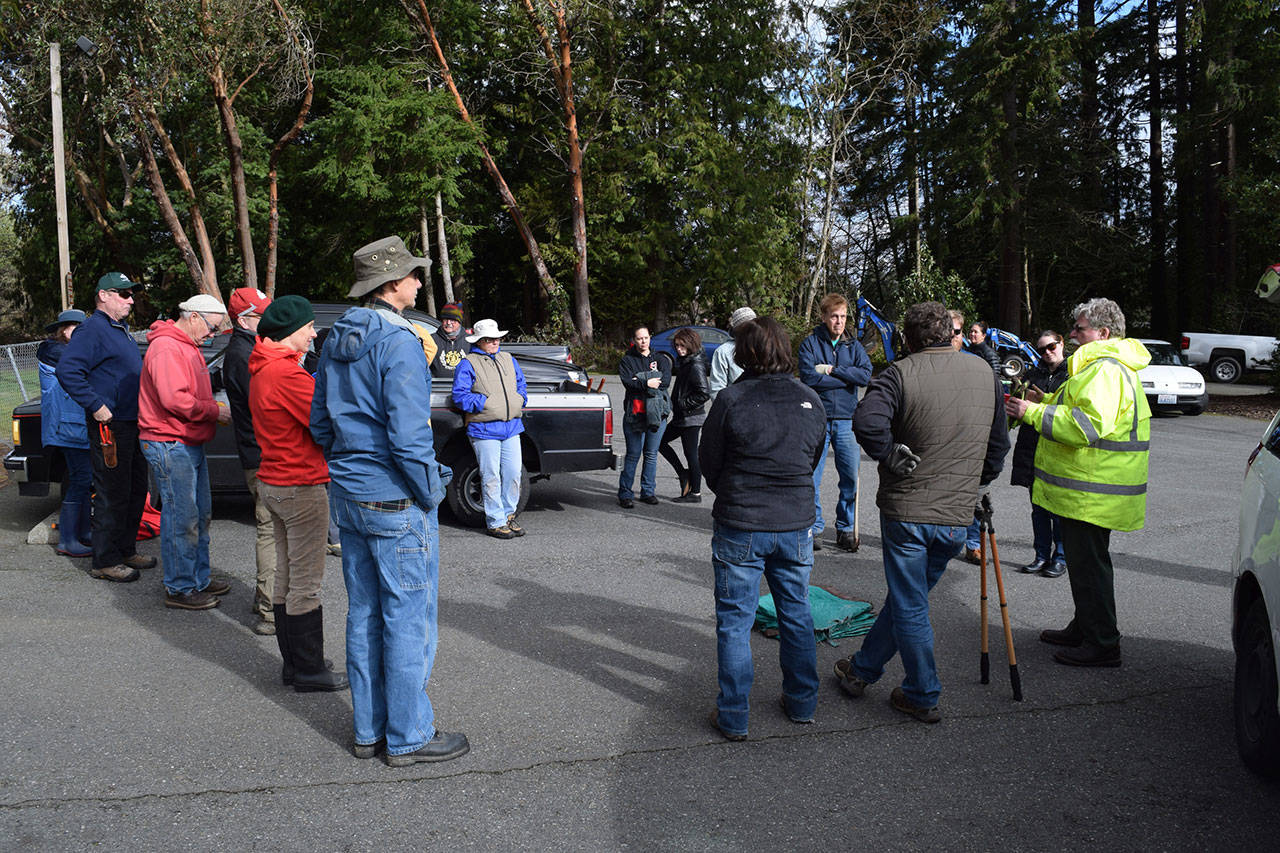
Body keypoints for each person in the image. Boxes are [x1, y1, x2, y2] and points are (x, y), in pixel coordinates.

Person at [311, 234, 469, 765]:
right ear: (391, 283)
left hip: (350, 493)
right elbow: (408, 436)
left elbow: (319, 423)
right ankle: (407, 736)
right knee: (408, 617)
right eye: (413, 275)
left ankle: (368, 730)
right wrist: (430, 492)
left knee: (365, 613)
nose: (420, 282)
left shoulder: (336, 336)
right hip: (394, 496)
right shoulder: (399, 341)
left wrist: (348, 467)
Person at [833, 301, 1009, 723]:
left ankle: (923, 691)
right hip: (955, 514)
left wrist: (888, 452)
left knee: (910, 604)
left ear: (908, 339)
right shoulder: (983, 372)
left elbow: (866, 422)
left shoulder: (898, 373)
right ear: (951, 333)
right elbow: (998, 444)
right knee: (908, 600)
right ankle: (861, 670)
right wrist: (979, 484)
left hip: (910, 511)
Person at [699, 317, 828, 740]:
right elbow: (811, 460)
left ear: (744, 353)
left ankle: (735, 715)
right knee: (796, 614)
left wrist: (735, 491)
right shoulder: (811, 399)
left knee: (735, 621)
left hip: (743, 522)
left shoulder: (731, 399)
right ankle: (802, 703)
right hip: (793, 523)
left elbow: (710, 464)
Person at [1005, 298, 1151, 668]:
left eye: (1079, 328)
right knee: (1087, 565)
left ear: (1102, 333)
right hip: (1090, 491)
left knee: (1089, 566)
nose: (1071, 333)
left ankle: (1102, 642)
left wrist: (1032, 411)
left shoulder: (1105, 370)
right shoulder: (1102, 368)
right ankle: (1087, 626)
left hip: (1093, 493)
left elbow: (1085, 427)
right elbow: (1082, 410)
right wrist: (1049, 399)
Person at [250, 295, 348, 692]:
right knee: (305, 581)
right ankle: (308, 669)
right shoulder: (286, 375)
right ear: (289, 331)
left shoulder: (263, 368)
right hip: (299, 485)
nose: (312, 334)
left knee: (286, 577)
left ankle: (296, 664)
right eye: (308, 327)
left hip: (274, 481)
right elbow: (323, 420)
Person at [138, 294, 233, 610]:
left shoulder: (182, 344)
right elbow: (175, 400)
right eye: (211, 328)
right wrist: (214, 410)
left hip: (183, 441)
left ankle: (197, 580)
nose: (212, 335)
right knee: (182, 516)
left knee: (198, 513)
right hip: (170, 442)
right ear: (193, 317)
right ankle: (180, 588)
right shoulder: (167, 347)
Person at [57, 272, 154, 583]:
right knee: (112, 491)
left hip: (131, 422)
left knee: (136, 488)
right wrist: (96, 406)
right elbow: (68, 370)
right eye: (123, 294)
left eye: (131, 294)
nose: (130, 299)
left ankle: (125, 548)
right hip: (111, 426)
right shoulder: (92, 329)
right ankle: (105, 559)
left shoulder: (119, 330)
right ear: (103, 296)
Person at [798, 293, 873, 552]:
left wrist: (831, 369)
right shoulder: (810, 344)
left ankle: (845, 528)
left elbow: (864, 376)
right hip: (817, 419)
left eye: (842, 316)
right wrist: (846, 378)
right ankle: (815, 527)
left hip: (847, 421)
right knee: (812, 477)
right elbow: (809, 378)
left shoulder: (853, 346)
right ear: (824, 317)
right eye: (834, 316)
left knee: (850, 477)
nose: (839, 322)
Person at [223, 286, 278, 635]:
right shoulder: (243, 356)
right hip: (262, 455)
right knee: (271, 531)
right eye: (262, 315)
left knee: (272, 530)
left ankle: (266, 599)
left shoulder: (250, 349)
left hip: (260, 452)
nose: (268, 320)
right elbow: (266, 409)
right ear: (244, 320)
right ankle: (270, 609)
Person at [451, 318, 529, 539]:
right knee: (491, 476)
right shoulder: (468, 363)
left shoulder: (508, 358)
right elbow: (460, 395)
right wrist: (485, 403)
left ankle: (508, 516)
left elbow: (520, 383)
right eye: (490, 339)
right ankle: (495, 521)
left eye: (497, 338)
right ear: (479, 341)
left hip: (512, 426)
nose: (495, 342)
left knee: (514, 474)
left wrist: (519, 398)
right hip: (484, 429)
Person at [1011, 331, 1069, 578]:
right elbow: (1017, 409)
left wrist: (1040, 403)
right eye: (1042, 349)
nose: (1047, 352)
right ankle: (1041, 555)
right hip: (1033, 449)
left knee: (1059, 511)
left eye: (1051, 346)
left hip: (1059, 451)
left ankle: (1061, 557)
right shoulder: (1032, 374)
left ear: (1061, 344)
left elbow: (1072, 413)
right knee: (1038, 509)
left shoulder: (1074, 375)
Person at [38, 309, 92, 557]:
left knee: (81, 478)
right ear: (63, 330)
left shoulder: (64, 351)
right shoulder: (56, 352)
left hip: (73, 425)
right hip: (68, 427)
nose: (79, 333)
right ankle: (69, 539)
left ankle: (82, 533)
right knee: (80, 478)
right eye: (74, 328)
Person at [961, 318, 1003, 563]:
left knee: (978, 497)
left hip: (981, 425)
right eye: (971, 332)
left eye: (976, 332)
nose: (972, 335)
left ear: (985, 335)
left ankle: (974, 544)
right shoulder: (968, 352)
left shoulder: (989, 355)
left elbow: (992, 387)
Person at [617, 325, 671, 508]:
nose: (643, 341)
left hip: (657, 415)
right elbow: (627, 383)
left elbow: (665, 382)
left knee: (651, 454)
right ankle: (625, 494)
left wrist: (639, 380)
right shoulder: (627, 360)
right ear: (634, 339)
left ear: (650, 338)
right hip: (635, 415)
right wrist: (648, 381)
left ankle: (648, 492)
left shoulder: (661, 359)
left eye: (646, 338)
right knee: (633, 455)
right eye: (639, 338)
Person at [658, 327, 711, 503]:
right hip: (682, 417)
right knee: (660, 441)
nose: (679, 349)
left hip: (691, 418)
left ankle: (695, 493)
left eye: (683, 346)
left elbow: (704, 393)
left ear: (691, 345)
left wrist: (683, 404)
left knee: (691, 454)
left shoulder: (695, 364)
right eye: (677, 345)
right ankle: (683, 473)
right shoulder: (687, 361)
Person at [708, 307, 757, 397]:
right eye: (748, 326)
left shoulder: (762, 347)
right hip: (737, 408)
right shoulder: (723, 351)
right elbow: (717, 390)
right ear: (738, 329)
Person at [431, 302, 468, 377]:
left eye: (452, 320)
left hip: (463, 387)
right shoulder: (431, 340)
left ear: (459, 322)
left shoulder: (469, 341)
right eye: (445, 319)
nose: (448, 323)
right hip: (437, 387)